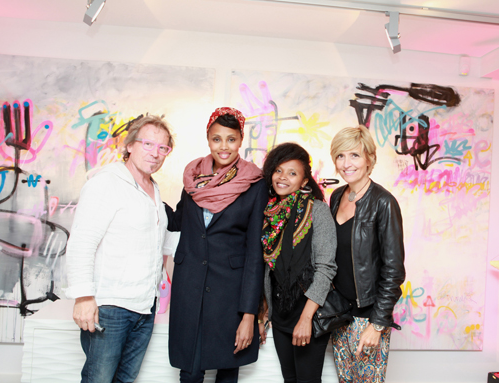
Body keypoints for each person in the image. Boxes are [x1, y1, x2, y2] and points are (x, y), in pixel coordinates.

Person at [65, 115, 175, 383]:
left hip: (144, 307)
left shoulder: (154, 190)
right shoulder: (106, 183)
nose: (155, 153)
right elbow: (81, 242)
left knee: (124, 380)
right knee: (98, 380)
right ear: (129, 145)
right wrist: (83, 297)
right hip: (110, 307)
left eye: (163, 148)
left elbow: (157, 243)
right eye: (148, 143)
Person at [167, 107, 267, 383]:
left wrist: (249, 314)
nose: (224, 147)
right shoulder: (193, 177)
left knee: (227, 372)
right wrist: (146, 194)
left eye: (231, 139)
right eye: (217, 139)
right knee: (189, 373)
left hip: (230, 296)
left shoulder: (255, 183)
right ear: (208, 139)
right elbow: (178, 220)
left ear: (240, 140)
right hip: (190, 290)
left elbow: (255, 254)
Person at [328, 126, 406, 383]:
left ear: (369, 159)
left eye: (354, 155)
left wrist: (377, 324)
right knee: (346, 380)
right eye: (340, 156)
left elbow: (393, 270)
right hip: (340, 315)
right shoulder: (337, 196)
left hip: (369, 316)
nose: (346, 163)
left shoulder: (384, 202)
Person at [259, 142, 337, 383]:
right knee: (290, 380)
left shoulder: (318, 211)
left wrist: (306, 320)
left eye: (292, 173)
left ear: (304, 181)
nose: (283, 178)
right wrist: (264, 313)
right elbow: (268, 269)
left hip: (309, 314)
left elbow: (326, 268)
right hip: (281, 315)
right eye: (279, 170)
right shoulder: (269, 211)